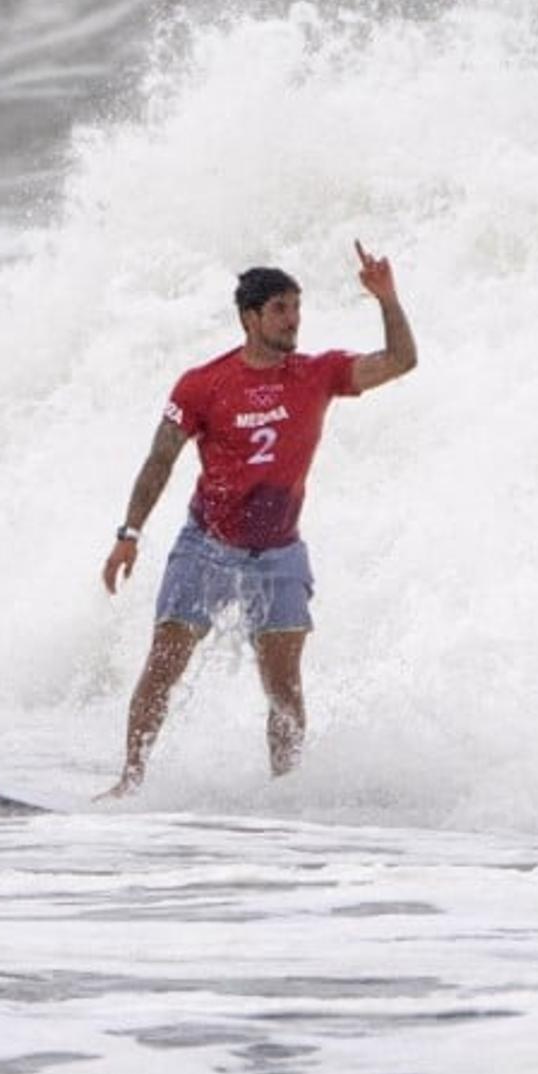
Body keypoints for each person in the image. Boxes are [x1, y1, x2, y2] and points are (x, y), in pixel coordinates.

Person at [98, 241, 417, 798]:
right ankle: (129, 782)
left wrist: (387, 299)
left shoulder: (318, 374)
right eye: (280, 310)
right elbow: (160, 459)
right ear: (250, 318)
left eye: (296, 308)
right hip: (208, 544)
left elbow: (401, 362)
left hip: (279, 552)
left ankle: (285, 793)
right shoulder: (203, 384)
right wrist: (129, 534)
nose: (293, 321)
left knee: (283, 686)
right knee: (165, 662)